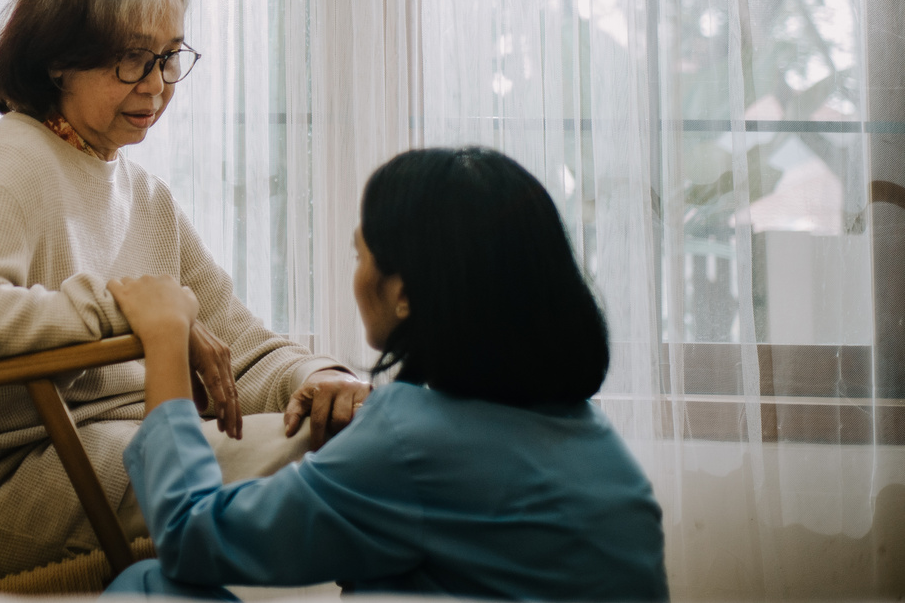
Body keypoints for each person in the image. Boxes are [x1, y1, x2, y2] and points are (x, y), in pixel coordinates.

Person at [0, 0, 370, 584]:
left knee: (344, 429)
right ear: (59, 60)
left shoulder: (141, 191)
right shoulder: (11, 162)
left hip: (102, 451)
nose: (156, 85)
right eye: (130, 59)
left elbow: (241, 345)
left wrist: (322, 379)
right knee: (326, 459)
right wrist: (134, 310)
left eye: (169, 56)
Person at [104, 146, 670, 600]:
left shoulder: (411, 439)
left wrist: (163, 338)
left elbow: (188, 535)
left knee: (146, 584)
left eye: (359, 254)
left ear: (401, 291)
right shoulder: (595, 439)